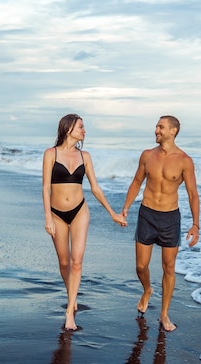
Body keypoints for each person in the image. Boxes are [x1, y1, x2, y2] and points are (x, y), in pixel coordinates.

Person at [43, 113, 126, 331]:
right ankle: (71, 294)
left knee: (77, 262)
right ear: (68, 128)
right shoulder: (50, 154)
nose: (84, 130)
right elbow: (45, 188)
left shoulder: (85, 156)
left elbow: (95, 188)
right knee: (64, 262)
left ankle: (70, 311)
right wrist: (48, 217)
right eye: (81, 126)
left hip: (80, 211)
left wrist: (112, 213)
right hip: (57, 214)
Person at [121, 115, 200, 332]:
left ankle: (164, 314)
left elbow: (193, 194)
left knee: (169, 267)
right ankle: (147, 289)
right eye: (157, 126)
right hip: (147, 214)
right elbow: (137, 181)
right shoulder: (147, 155)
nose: (156, 130)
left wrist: (195, 225)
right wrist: (126, 207)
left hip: (169, 218)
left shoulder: (185, 160)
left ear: (173, 131)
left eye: (160, 127)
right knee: (141, 265)